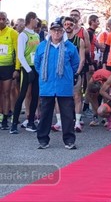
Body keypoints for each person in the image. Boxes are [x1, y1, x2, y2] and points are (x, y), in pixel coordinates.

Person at [34, 19, 79, 149]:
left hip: (64, 85)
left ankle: (69, 140)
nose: (57, 33)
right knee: (45, 114)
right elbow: (37, 64)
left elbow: (75, 64)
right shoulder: (42, 46)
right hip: (47, 85)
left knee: (67, 115)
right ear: (50, 32)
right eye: (54, 30)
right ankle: (43, 139)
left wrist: (67, 74)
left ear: (62, 31)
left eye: (59, 30)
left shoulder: (70, 46)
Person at [10, 12, 40, 134]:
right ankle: (14, 124)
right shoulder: (23, 35)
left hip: (36, 68)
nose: (37, 21)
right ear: (31, 19)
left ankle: (31, 122)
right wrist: (28, 70)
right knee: (22, 95)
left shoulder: (37, 35)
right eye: (36, 19)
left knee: (35, 95)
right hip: (26, 68)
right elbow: (20, 55)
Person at [0, 12, 19, 130]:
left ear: (7, 20)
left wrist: (17, 68)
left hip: (8, 67)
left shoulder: (13, 33)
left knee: (6, 92)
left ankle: (6, 118)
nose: (1, 21)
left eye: (3, 19)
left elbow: (18, 52)